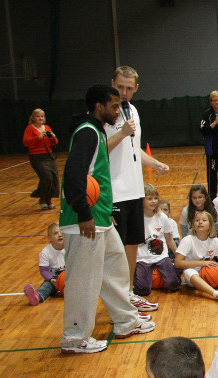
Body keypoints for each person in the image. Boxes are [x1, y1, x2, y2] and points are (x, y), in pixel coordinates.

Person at [59, 84, 156, 354]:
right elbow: (73, 176)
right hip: (83, 222)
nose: (118, 110)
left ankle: (125, 321)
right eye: (113, 106)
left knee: (115, 267)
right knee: (83, 279)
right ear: (99, 107)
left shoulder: (97, 131)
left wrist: (101, 212)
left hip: (99, 218)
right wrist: (84, 213)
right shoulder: (88, 132)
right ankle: (74, 338)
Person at [104, 66, 170, 315]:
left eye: (128, 88)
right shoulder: (106, 113)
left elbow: (135, 148)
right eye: (119, 86)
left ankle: (128, 296)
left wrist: (155, 163)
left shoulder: (132, 110)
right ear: (112, 83)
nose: (123, 92)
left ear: (136, 88)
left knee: (132, 246)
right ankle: (117, 303)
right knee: (117, 252)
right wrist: (121, 132)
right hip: (115, 192)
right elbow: (101, 149)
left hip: (134, 191)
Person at [174, 211, 218, 303]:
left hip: (210, 272)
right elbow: (177, 263)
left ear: (210, 225)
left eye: (204, 220)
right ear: (193, 225)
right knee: (189, 272)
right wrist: (202, 263)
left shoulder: (214, 240)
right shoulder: (188, 240)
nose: (200, 222)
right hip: (194, 274)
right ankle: (217, 294)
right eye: (197, 220)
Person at [134, 184, 180, 296]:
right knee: (143, 290)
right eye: (149, 199)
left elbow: (169, 239)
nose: (153, 201)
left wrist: (179, 256)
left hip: (161, 256)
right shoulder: (136, 218)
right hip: (143, 257)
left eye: (155, 198)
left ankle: (173, 269)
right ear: (142, 200)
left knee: (173, 285)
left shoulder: (162, 217)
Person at [23, 108, 59, 210]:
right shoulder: (30, 128)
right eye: (38, 116)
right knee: (47, 177)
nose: (40, 118)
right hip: (37, 157)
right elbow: (26, 142)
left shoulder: (47, 127)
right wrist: (37, 137)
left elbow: (55, 142)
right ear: (33, 118)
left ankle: (49, 200)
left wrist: (53, 137)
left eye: (42, 116)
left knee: (54, 179)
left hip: (49, 156)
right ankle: (42, 199)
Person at [23, 222, 65, 306]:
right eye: (55, 233)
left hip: (69, 278)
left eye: (61, 232)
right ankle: (37, 297)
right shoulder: (45, 252)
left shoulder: (70, 248)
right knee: (46, 287)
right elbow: (43, 270)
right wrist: (51, 280)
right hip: (54, 280)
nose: (60, 235)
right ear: (50, 238)